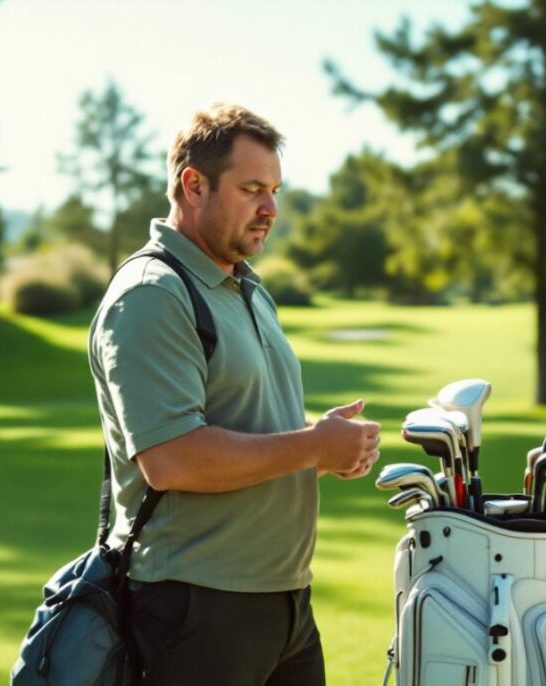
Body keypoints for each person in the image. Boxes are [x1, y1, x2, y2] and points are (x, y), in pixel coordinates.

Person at [87, 103, 381, 685]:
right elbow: (172, 459)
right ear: (193, 185)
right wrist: (312, 447)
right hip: (197, 606)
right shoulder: (153, 294)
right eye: (251, 189)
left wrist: (326, 447)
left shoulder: (243, 286)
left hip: (283, 600)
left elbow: (250, 435)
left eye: (274, 190)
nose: (270, 208)